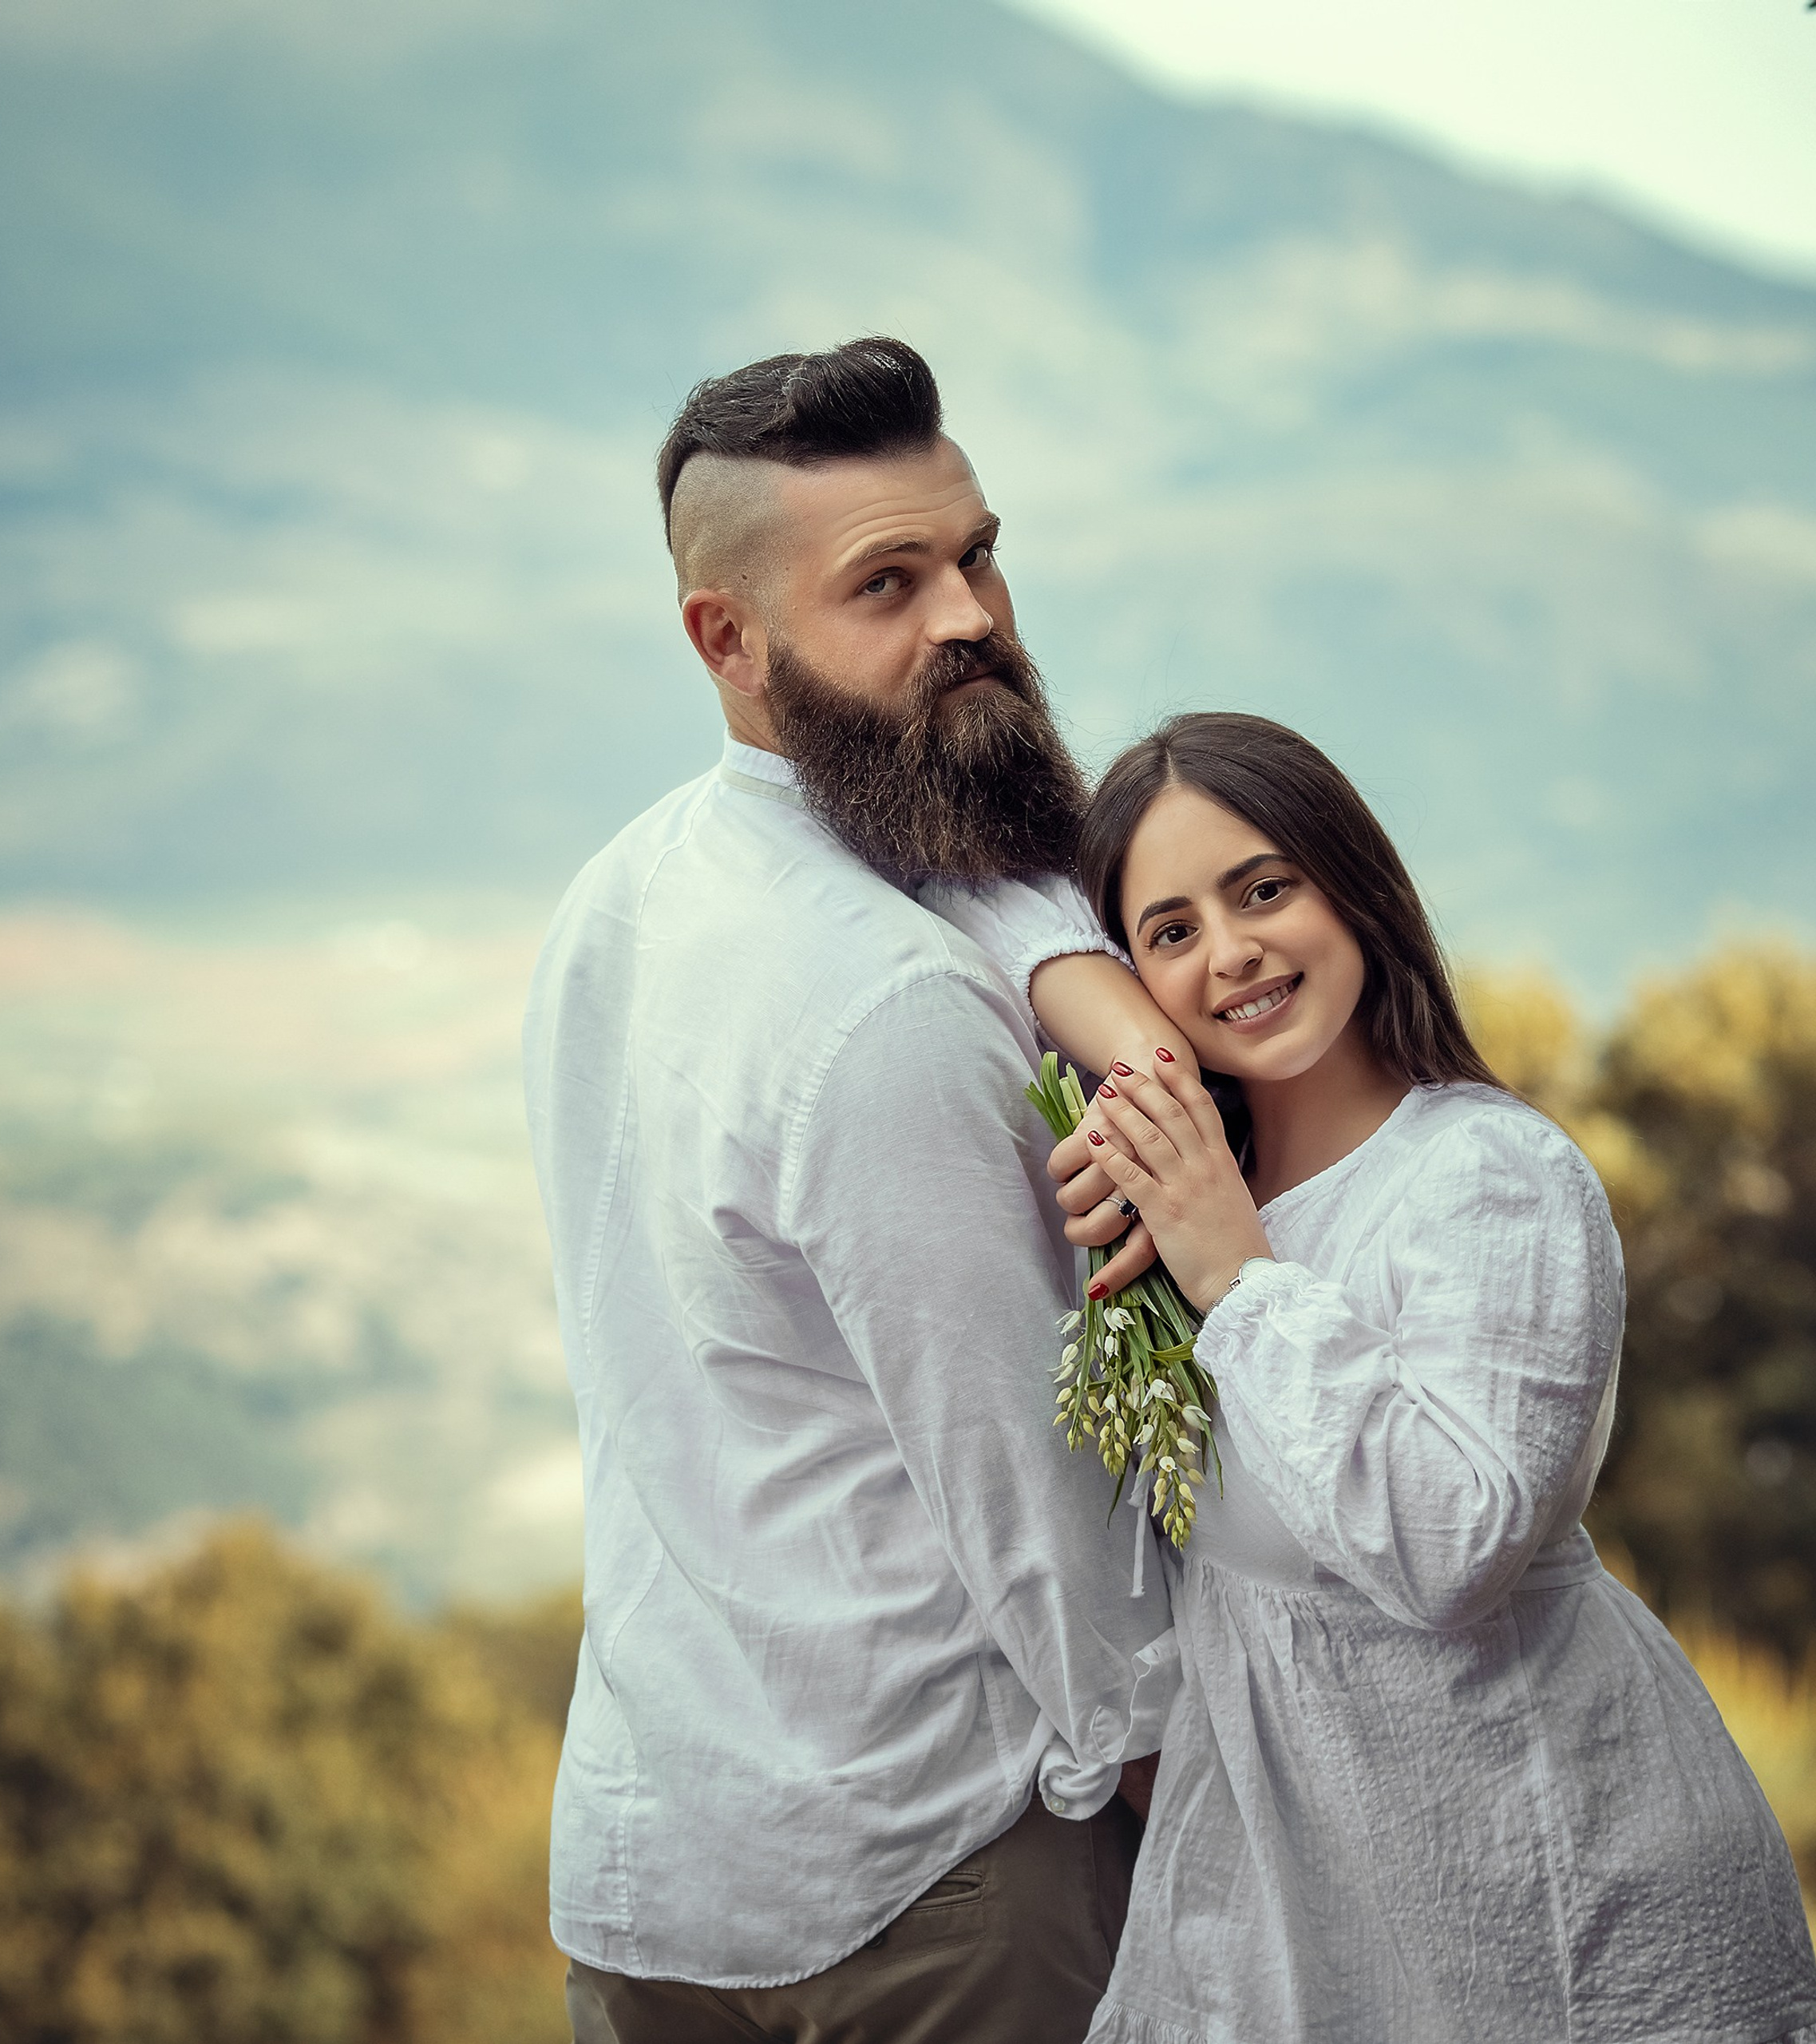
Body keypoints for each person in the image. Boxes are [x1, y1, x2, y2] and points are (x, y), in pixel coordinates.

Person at [959, 711, 1816, 2043]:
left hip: (1555, 1881)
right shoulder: (1183, 1205)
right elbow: (978, 905)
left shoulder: (1488, 1176)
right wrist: (1143, 1066)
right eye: (1172, 930)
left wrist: (1239, 1275)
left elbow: (1450, 1548)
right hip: (1305, 1908)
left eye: (1266, 889)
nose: (1232, 951)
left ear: (1354, 885)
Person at [523, 337, 1183, 2044]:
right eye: (887, 583)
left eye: (977, 554)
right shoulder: (890, 1005)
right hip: (934, 1880)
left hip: (652, 1859)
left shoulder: (615, 895)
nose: (968, 616)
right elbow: (1029, 1479)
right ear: (725, 639)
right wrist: (1178, 1788)